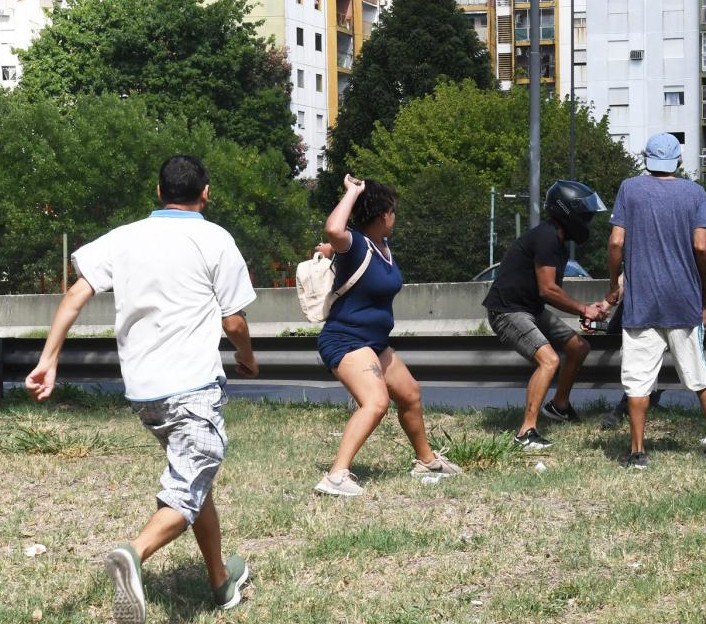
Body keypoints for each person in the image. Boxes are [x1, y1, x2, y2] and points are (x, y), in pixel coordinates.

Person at [24, 155, 258, 623]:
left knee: (194, 480)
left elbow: (74, 295)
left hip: (143, 394)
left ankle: (219, 581)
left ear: (159, 192)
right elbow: (233, 320)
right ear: (206, 193)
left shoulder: (124, 237)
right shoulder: (215, 238)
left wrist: (48, 359)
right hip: (190, 387)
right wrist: (248, 357)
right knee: (188, 484)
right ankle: (133, 553)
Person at [314, 174, 462, 497]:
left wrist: (328, 251)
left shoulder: (382, 246)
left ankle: (426, 461)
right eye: (393, 211)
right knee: (376, 401)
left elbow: (333, 246)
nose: (395, 217)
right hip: (346, 339)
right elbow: (334, 231)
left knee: (409, 392)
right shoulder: (354, 243)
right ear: (385, 215)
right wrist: (353, 192)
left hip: (374, 342)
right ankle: (336, 475)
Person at [605, 132, 706, 469]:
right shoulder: (694, 193)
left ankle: (637, 452)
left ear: (646, 160)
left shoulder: (629, 189)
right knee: (698, 373)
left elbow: (616, 242)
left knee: (637, 380)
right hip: (682, 301)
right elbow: (702, 247)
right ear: (677, 161)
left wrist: (614, 282)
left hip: (642, 304)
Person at [482, 180, 610, 450]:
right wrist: (583, 309)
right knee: (549, 360)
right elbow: (549, 289)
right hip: (507, 310)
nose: (587, 220)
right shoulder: (546, 237)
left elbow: (547, 293)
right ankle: (525, 432)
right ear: (568, 212)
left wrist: (582, 309)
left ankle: (559, 407)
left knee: (578, 347)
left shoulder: (558, 241)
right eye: (584, 213)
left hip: (530, 308)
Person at [597, 246, 706, 430]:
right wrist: (604, 306)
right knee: (620, 342)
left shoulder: (704, 256)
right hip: (644, 312)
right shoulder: (656, 243)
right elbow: (628, 275)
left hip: (681, 318)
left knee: (693, 372)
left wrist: (682, 335)